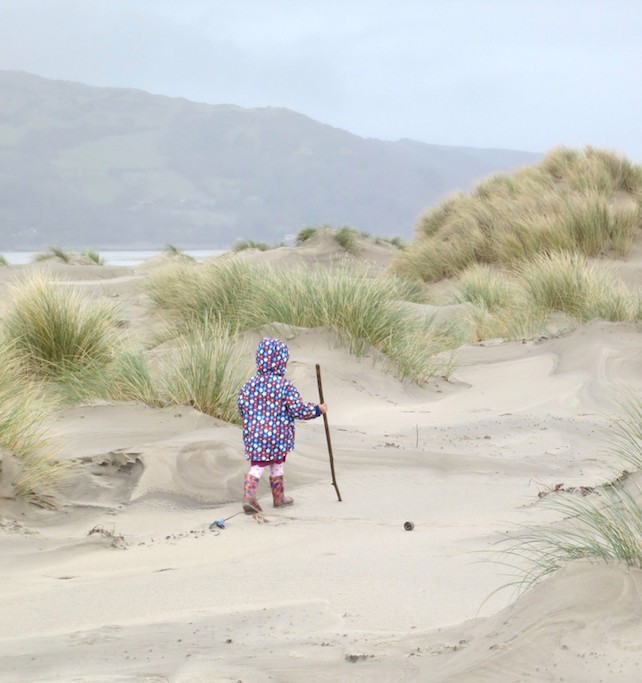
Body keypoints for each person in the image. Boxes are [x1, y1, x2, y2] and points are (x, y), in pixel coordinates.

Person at [238, 337, 327, 514]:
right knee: (276, 463)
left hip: (255, 435)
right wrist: (317, 409)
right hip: (278, 436)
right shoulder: (285, 386)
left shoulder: (249, 385)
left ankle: (256, 495)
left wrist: (252, 421)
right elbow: (298, 410)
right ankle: (273, 497)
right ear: (282, 362)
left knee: (258, 465)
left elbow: (242, 406)